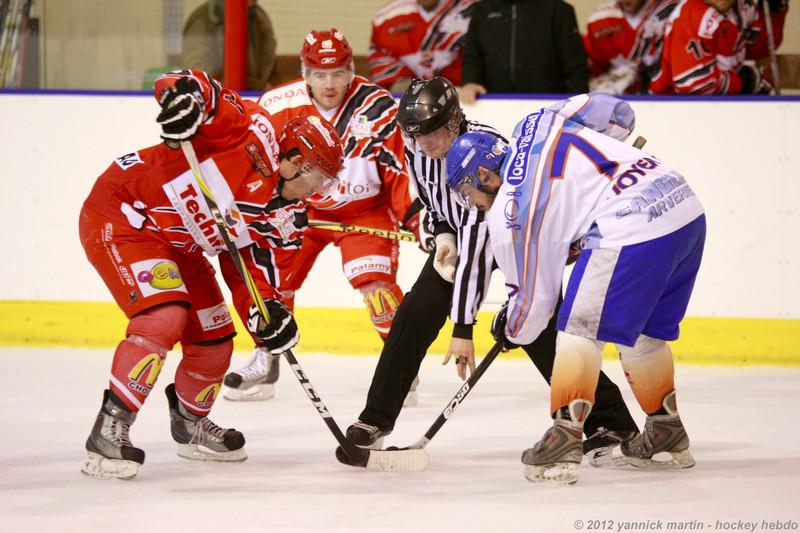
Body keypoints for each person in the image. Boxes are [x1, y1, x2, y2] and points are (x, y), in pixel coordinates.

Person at [345, 77, 639, 464]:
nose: (424, 144)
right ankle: (376, 419)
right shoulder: (415, 148)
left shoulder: (481, 149)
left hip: (514, 235)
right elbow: (435, 208)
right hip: (464, 242)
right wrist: (442, 236)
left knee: (538, 329)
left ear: (453, 122)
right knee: (413, 315)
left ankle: (610, 421)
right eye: (416, 135)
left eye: (431, 133)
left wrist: (462, 329)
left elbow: (484, 235)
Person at [78, 69, 344, 480]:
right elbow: (194, 84)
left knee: (215, 337)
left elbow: (249, 272)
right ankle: (111, 427)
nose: (320, 190)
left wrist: (267, 314)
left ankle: (189, 422)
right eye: (318, 176)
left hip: (180, 244)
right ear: (293, 161)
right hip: (126, 215)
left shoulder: (286, 216)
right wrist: (183, 99)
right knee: (165, 316)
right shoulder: (253, 131)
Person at [445, 92, 706, 484]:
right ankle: (666, 432)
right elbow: (617, 112)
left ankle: (565, 438)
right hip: (682, 209)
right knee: (643, 336)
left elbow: (536, 307)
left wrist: (508, 326)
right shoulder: (536, 122)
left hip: (631, 228)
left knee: (576, 330)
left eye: (467, 192)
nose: (473, 203)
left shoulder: (510, 210)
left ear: (485, 174)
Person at [222, 29, 423, 404]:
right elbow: (258, 160)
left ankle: (400, 369)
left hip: (365, 211)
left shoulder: (378, 106)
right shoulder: (277, 104)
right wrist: (254, 207)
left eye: (337, 73)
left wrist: (414, 219)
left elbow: (398, 168)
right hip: (300, 209)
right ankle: (267, 358)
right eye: (318, 74)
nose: (328, 84)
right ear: (304, 73)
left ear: (350, 70)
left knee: (375, 286)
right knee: (272, 282)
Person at [459, 0, 590, 104]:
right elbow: (472, 58)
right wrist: (470, 82)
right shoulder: (481, 11)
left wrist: (578, 107)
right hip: (493, 105)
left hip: (549, 107)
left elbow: (576, 67)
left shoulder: (559, 10)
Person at [649, 0, 788, 94]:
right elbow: (695, 84)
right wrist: (744, 82)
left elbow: (758, 48)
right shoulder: (690, 13)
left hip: (718, 107)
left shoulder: (741, 8)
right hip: (672, 111)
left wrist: (773, 12)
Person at [368, 0, 479, 93]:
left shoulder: (475, 11)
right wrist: (403, 85)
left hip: (462, 98)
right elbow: (381, 57)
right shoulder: (385, 18)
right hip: (408, 104)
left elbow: (479, 58)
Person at [583, 0, 680, 94]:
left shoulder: (671, 11)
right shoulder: (600, 19)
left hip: (663, 96)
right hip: (616, 96)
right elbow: (592, 67)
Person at [183, 0, 277, 91]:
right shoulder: (203, 21)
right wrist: (258, 86)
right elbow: (201, 79)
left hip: (253, 100)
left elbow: (268, 68)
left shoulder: (258, 16)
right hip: (221, 102)